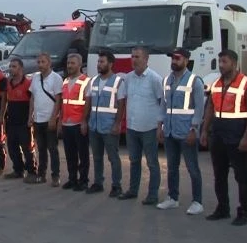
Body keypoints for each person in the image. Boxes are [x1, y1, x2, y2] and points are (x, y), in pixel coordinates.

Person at [202, 49, 247, 225]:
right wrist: (205, 130)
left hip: (236, 133)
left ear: (234, 63)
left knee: (241, 175)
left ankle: (244, 212)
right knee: (219, 174)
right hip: (218, 132)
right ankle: (223, 208)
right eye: (219, 62)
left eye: (224, 62)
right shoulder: (217, 83)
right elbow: (210, 108)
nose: (220, 65)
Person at [157, 48, 205, 215]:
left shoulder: (194, 81)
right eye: (172, 58)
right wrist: (160, 127)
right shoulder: (167, 80)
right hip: (170, 131)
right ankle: (172, 198)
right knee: (171, 167)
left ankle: (197, 201)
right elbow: (163, 106)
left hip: (186, 131)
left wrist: (194, 129)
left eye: (177, 58)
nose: (174, 61)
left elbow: (199, 108)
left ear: (186, 60)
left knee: (192, 168)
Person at [118, 46, 163, 205]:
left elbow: (161, 103)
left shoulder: (154, 79)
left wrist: (160, 127)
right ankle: (132, 190)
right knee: (134, 160)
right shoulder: (128, 78)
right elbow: (122, 100)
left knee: (152, 162)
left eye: (137, 57)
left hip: (149, 128)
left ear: (146, 59)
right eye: (132, 57)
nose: (134, 60)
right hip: (132, 127)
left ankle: (152, 194)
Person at [85, 50, 125, 196]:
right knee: (96, 156)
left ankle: (116, 185)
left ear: (110, 64)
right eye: (98, 62)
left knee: (113, 157)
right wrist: (85, 121)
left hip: (109, 126)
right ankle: (98, 183)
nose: (99, 64)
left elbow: (121, 104)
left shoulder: (117, 82)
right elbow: (88, 102)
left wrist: (117, 123)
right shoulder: (93, 81)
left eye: (102, 62)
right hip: (94, 125)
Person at [27, 52, 63, 186]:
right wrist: (30, 116)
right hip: (38, 119)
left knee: (52, 149)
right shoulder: (36, 78)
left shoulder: (56, 78)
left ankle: (55, 176)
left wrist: (54, 118)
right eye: (39, 62)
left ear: (49, 63)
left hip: (50, 120)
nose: (40, 65)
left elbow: (59, 100)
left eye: (43, 62)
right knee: (41, 148)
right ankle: (41, 174)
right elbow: (32, 98)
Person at [57, 53, 91, 191]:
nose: (69, 66)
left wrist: (84, 122)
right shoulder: (65, 81)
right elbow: (63, 103)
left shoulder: (85, 81)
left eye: (72, 63)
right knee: (70, 154)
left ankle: (83, 180)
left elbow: (87, 103)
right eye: (68, 63)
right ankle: (72, 179)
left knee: (82, 154)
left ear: (79, 65)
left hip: (78, 123)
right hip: (66, 123)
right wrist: (60, 121)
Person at [4, 57, 36, 180]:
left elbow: (32, 102)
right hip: (11, 120)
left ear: (21, 68)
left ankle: (32, 171)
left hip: (24, 121)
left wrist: (30, 118)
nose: (11, 69)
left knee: (27, 147)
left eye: (14, 66)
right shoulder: (8, 83)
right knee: (12, 147)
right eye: (10, 66)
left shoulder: (28, 84)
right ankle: (18, 170)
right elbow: (5, 100)